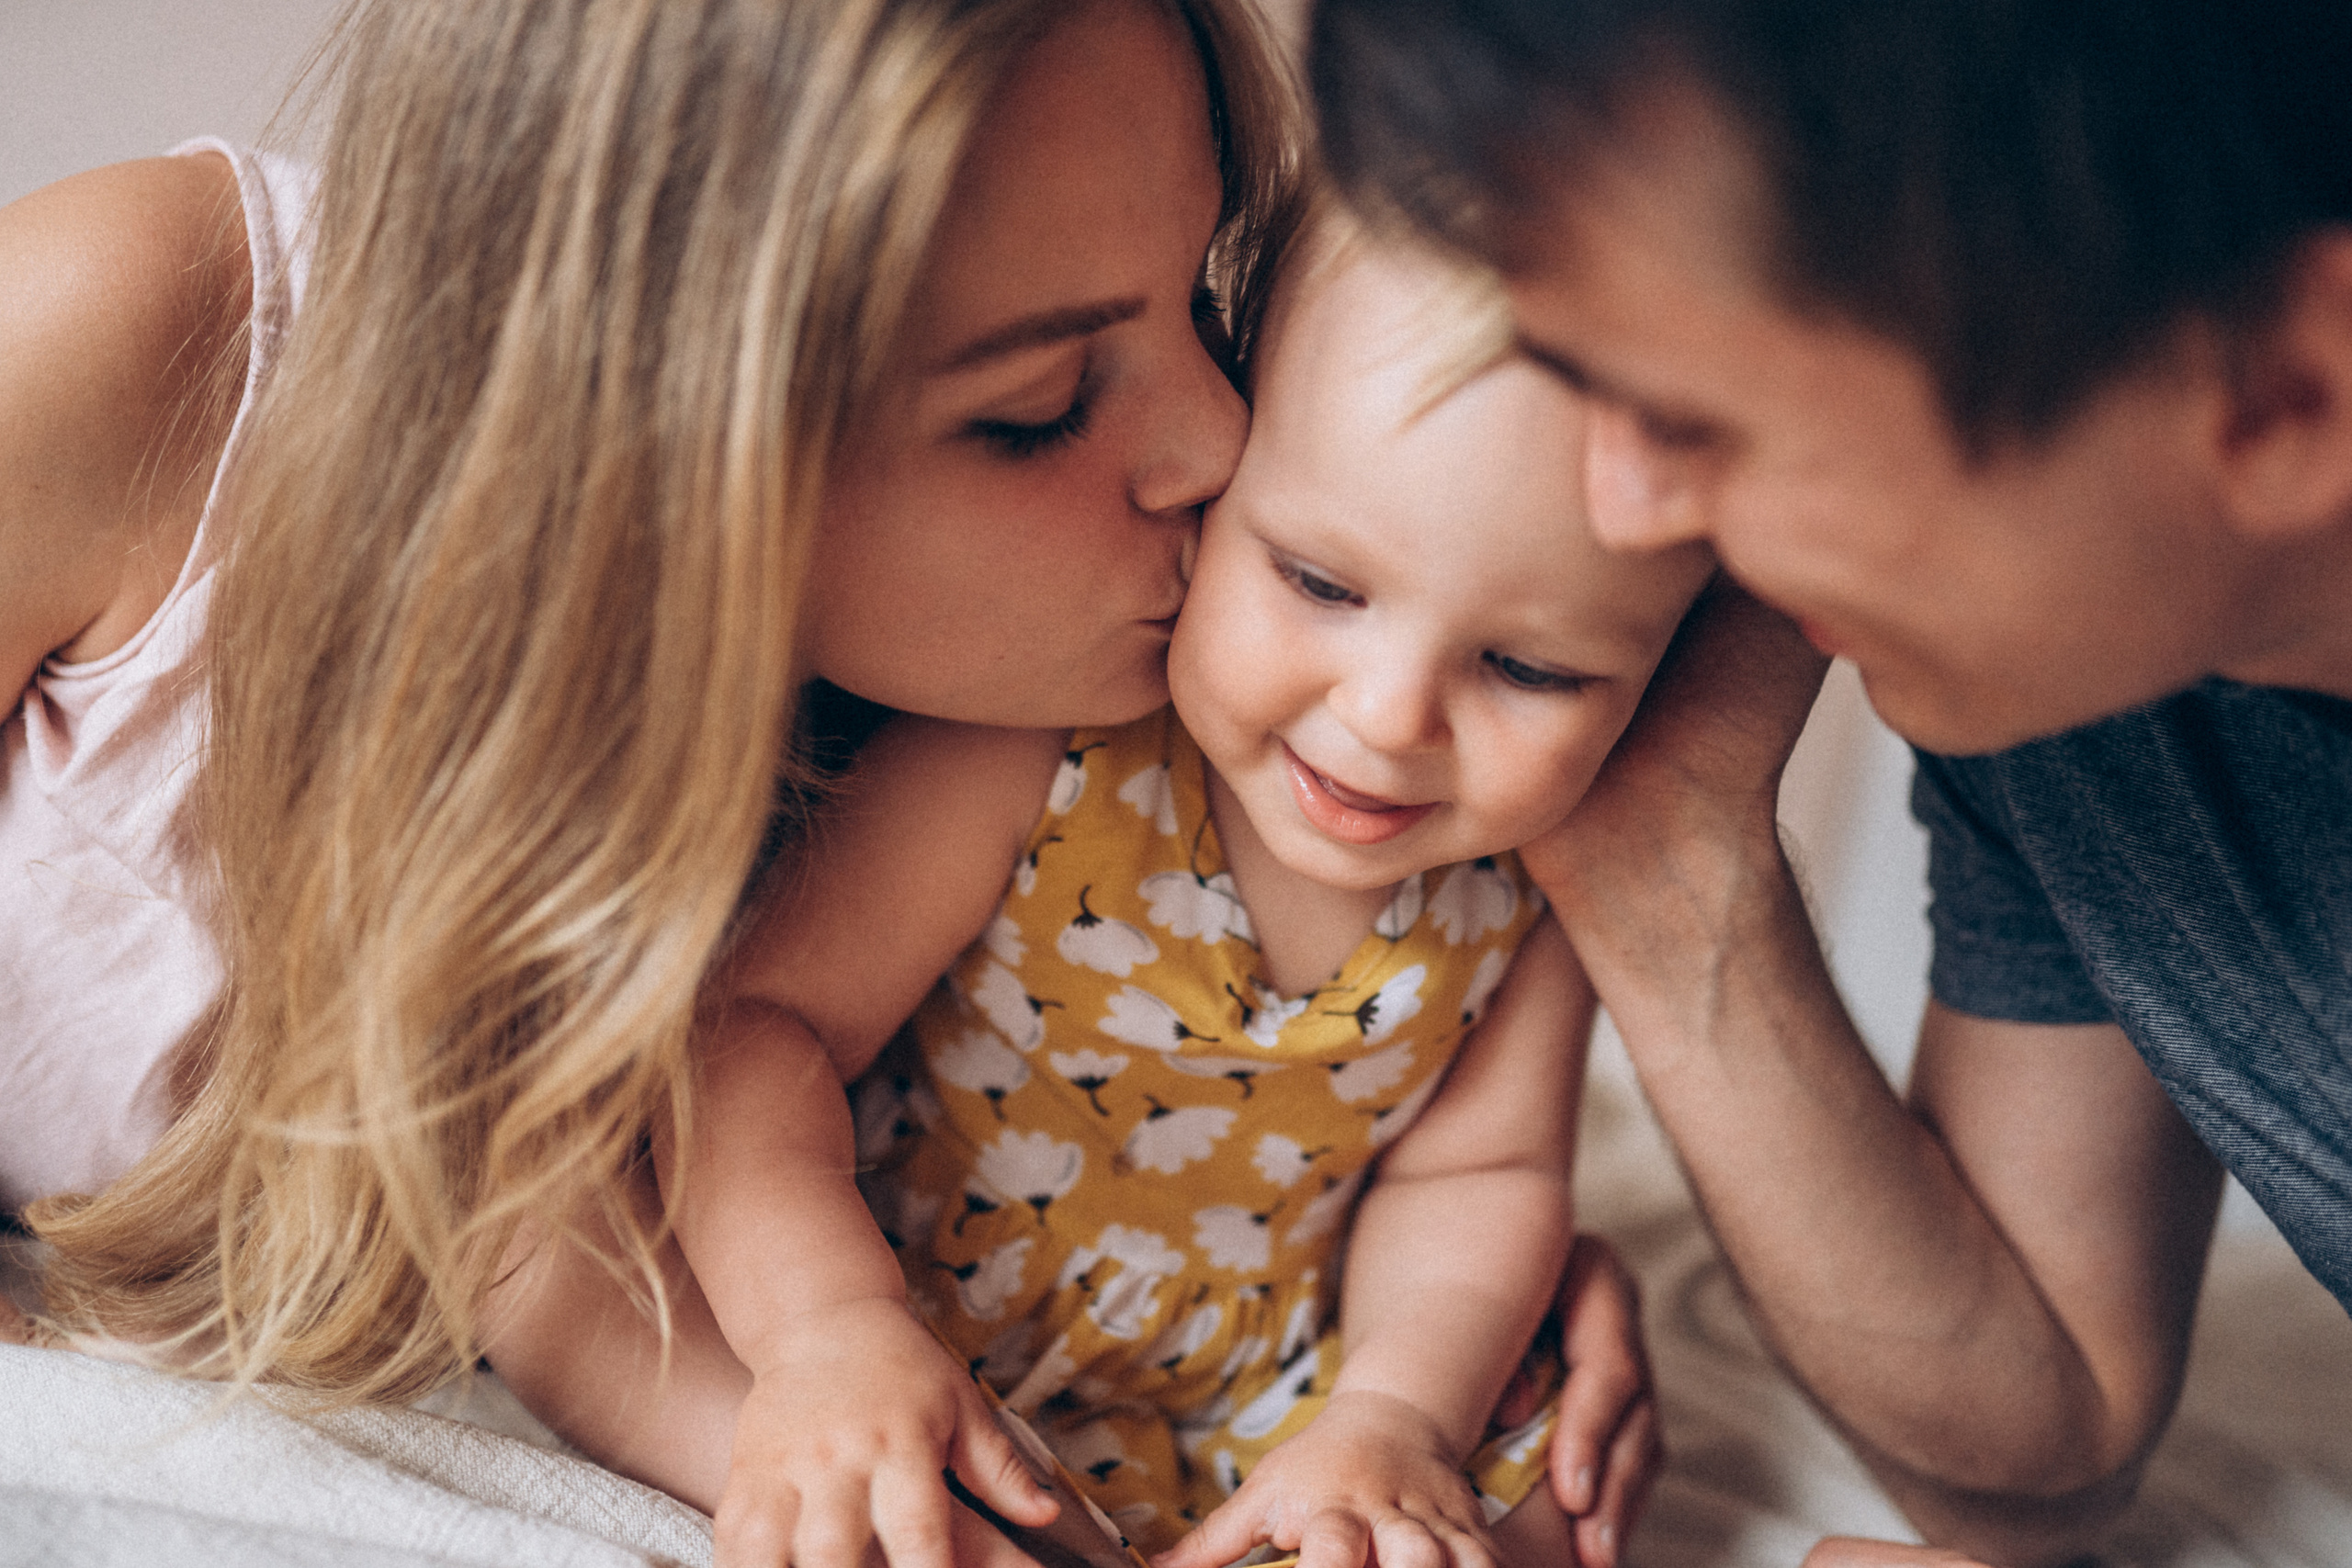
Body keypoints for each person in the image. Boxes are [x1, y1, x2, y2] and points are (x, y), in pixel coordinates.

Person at [0, 0, 1655, 1557]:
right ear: (667, 425)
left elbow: (546, 1257)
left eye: (1206, 306)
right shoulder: (137, 341)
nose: (1225, 443)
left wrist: (1417, 1353)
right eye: (1042, 403)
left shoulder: (967, 700)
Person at [1305, 0, 2352, 1563]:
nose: (1626, 509)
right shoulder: (2095, 671)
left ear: (2283, 395)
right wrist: (1661, 860)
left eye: (1692, 420)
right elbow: (2040, 1436)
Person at [630, 208, 1709, 1568]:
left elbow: (1479, 1176)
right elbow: (757, 1026)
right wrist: (825, 1333)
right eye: (1320, 582)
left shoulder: (1523, 884)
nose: (1386, 717)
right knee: (848, 1474)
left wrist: (1390, 1418)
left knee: (1544, 1490)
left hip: (1265, 1379)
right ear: (1219, 482)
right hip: (904, 1301)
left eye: (1532, 670)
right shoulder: (1045, 746)